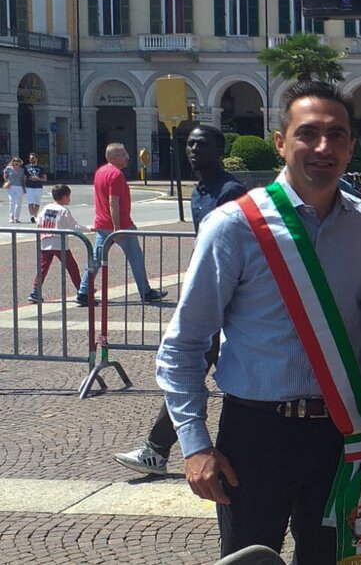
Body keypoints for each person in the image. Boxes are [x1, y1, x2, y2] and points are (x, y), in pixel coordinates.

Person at [156, 81, 361, 562]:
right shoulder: (234, 226)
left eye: (337, 135)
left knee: (337, 558)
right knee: (249, 555)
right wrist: (195, 445)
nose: (323, 147)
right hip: (256, 434)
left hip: (340, 431)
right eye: (308, 133)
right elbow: (184, 344)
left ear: (351, 146)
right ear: (281, 142)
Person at [114, 125, 248, 476]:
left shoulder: (230, 191)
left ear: (218, 150)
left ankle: (161, 449)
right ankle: (158, 449)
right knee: (192, 371)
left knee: (202, 371)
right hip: (210, 296)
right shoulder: (200, 192)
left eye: (201, 145)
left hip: (229, 301)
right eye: (189, 144)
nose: (193, 151)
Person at [76, 144, 168, 305]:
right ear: (114, 157)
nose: (128, 157)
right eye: (124, 154)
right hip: (120, 225)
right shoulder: (116, 175)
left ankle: (83, 291)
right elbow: (113, 202)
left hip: (102, 223)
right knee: (136, 258)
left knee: (96, 259)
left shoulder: (100, 172)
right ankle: (145, 291)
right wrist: (117, 229)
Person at [27, 185, 85, 304]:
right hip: (59, 242)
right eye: (69, 196)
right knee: (72, 267)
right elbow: (74, 226)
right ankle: (81, 290)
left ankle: (35, 291)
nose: (69, 198)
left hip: (45, 240)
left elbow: (38, 220)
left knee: (42, 267)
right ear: (64, 197)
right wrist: (89, 229)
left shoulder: (47, 207)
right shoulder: (63, 210)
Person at [23, 152, 47, 222]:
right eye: (30, 158)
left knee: (37, 203)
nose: (31, 160)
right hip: (29, 187)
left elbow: (45, 179)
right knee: (31, 202)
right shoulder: (26, 167)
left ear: (36, 159)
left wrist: (38, 178)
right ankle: (32, 215)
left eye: (33, 158)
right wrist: (24, 187)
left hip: (38, 187)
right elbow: (24, 178)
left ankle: (35, 216)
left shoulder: (41, 168)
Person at [4, 156, 25, 223]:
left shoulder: (22, 170)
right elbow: (5, 174)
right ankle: (11, 217)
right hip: (11, 187)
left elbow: (23, 179)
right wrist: (7, 181)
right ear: (13, 162)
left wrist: (24, 188)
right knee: (12, 202)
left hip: (19, 186)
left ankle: (17, 217)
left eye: (18, 161)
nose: (16, 163)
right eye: (15, 161)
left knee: (19, 203)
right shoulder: (9, 168)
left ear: (20, 163)